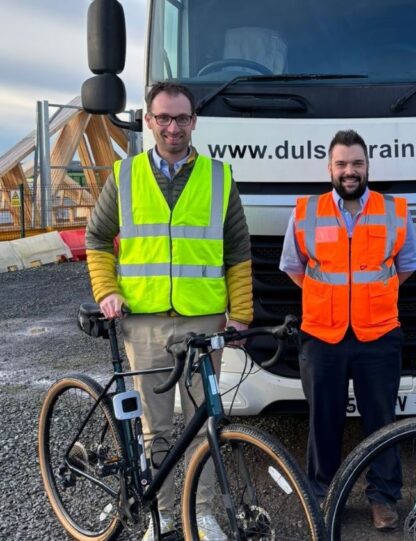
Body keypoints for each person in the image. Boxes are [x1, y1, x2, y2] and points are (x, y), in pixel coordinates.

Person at [85, 82, 253, 541]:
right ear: (150, 120)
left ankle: (196, 514)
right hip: (145, 323)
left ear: (194, 121)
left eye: (181, 118)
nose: (173, 127)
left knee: (205, 423)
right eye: (163, 118)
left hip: (203, 322)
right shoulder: (125, 175)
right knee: (154, 428)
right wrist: (107, 291)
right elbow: (97, 239)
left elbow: (238, 252)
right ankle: (159, 517)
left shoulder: (219, 177)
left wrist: (240, 315)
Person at [279, 129, 416, 530]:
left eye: (357, 163)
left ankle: (383, 498)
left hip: (378, 334)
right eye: (342, 164)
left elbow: (406, 265)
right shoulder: (307, 210)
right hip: (322, 335)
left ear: (367, 166)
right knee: (323, 420)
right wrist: (331, 300)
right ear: (330, 168)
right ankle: (323, 495)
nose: (350, 171)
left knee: (382, 421)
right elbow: (294, 267)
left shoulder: (394, 210)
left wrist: (368, 297)